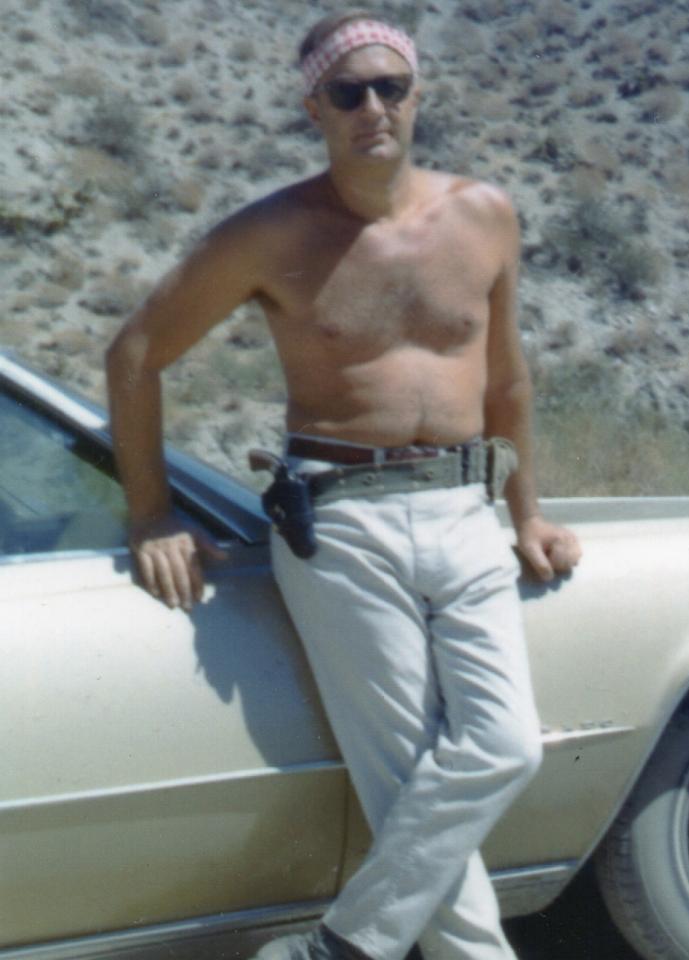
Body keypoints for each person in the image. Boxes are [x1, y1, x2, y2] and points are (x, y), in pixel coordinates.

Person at [104, 10, 581, 960]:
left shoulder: (484, 215)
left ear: (416, 94)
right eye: (347, 92)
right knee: (409, 785)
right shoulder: (269, 235)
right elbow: (136, 354)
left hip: (465, 507)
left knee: (505, 747)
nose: (373, 109)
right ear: (312, 107)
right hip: (340, 520)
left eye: (389, 87)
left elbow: (507, 379)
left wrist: (526, 512)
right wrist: (150, 512)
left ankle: (344, 948)